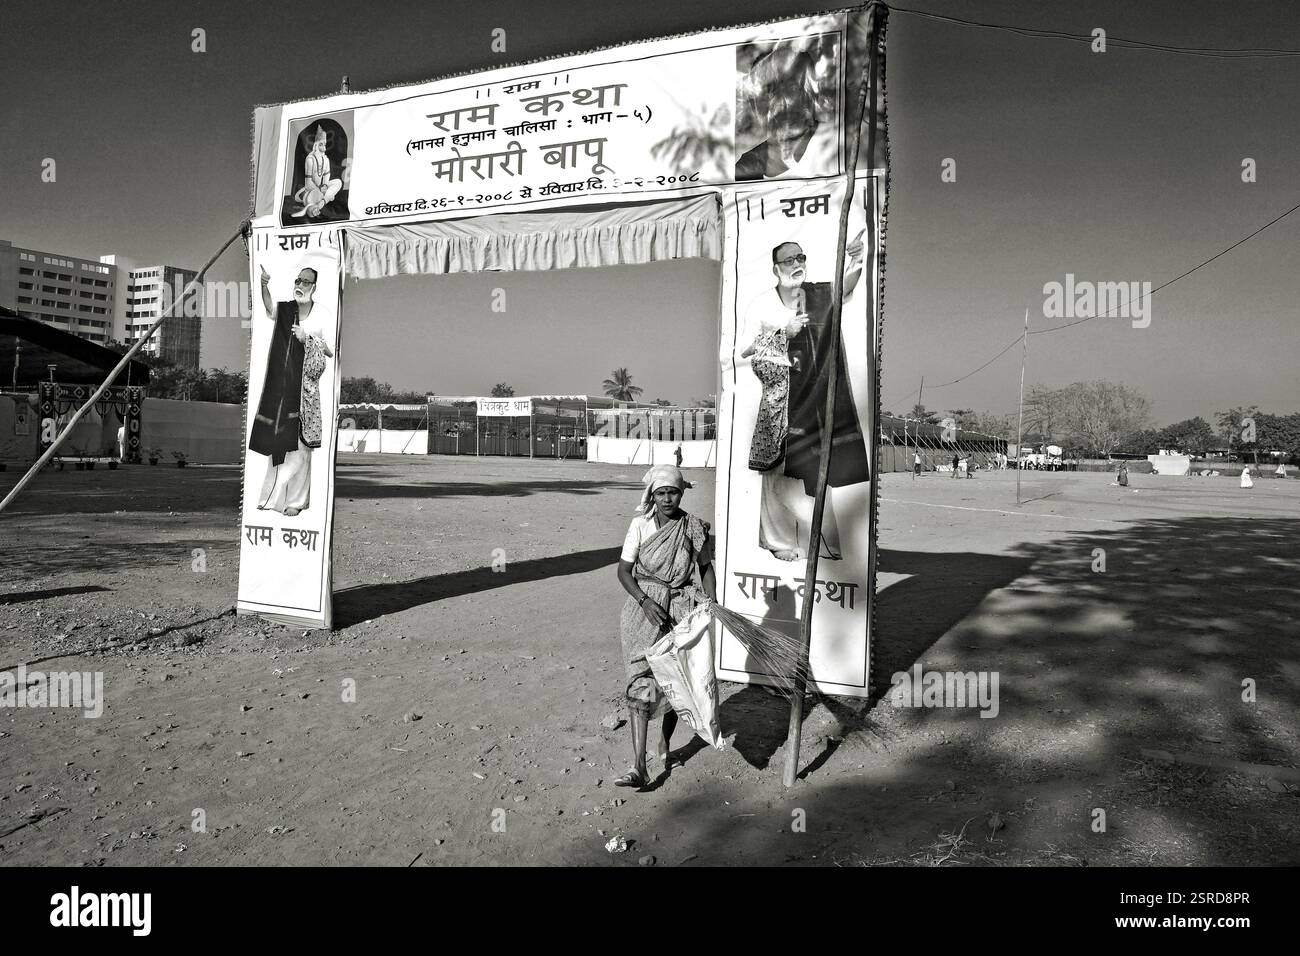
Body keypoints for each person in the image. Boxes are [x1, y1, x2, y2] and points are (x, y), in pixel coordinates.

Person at [744, 237, 867, 561]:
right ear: (775, 268)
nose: (797, 264)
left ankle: (823, 544)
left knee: (815, 474)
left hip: (814, 400)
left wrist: (856, 261)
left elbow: (844, 288)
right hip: (778, 402)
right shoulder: (761, 304)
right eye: (789, 260)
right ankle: (778, 541)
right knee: (775, 475)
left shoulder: (817, 295)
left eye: (801, 257)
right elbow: (745, 352)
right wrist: (785, 332)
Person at [614, 465, 716, 790]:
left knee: (675, 680)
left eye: (672, 492)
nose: (667, 498)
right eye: (661, 493)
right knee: (639, 683)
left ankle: (665, 742)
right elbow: (624, 571)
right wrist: (644, 601)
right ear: (652, 496)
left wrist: (711, 605)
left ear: (681, 493)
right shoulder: (640, 525)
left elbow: (705, 567)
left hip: (681, 610)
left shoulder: (693, 528)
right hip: (642, 612)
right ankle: (639, 765)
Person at [250, 266, 333, 516]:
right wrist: (264, 285)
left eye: (306, 281)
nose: (301, 284)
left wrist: (306, 337)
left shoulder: (323, 315)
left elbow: (330, 349)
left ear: (314, 287)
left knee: (301, 450)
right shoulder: (286, 311)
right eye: (298, 280)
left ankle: (296, 502)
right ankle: (271, 499)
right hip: (281, 393)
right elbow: (268, 308)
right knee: (278, 446)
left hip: (304, 394)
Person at [291, 126, 343, 219]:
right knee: (317, 196)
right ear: (316, 145)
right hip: (311, 191)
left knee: (338, 182)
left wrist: (325, 187)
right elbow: (308, 183)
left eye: (325, 144)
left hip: (321, 190)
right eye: (321, 144)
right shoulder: (310, 159)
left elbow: (326, 180)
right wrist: (321, 190)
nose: (324, 147)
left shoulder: (326, 160)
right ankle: (320, 203)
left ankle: (320, 203)